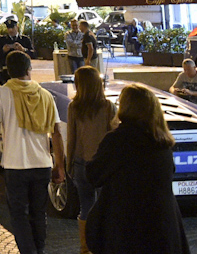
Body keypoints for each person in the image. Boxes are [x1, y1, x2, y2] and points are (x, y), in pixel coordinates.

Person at [86, 85, 191, 254]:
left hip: (129, 224)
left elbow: (93, 175)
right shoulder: (162, 141)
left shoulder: (118, 140)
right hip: (163, 222)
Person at [0, 51, 66, 254]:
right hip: (42, 164)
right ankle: (39, 250)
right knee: (39, 213)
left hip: (15, 165)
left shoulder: (2, 93)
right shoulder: (45, 96)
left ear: (8, 71)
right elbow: (56, 133)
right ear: (29, 69)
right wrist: (60, 165)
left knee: (19, 215)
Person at [67, 66, 116, 254]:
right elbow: (114, 138)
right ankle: (104, 246)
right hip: (104, 165)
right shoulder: (108, 107)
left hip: (81, 163)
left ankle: (85, 248)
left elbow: (71, 138)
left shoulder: (74, 106)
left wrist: (68, 164)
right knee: (106, 208)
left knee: (86, 207)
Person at [0, 18, 34, 85]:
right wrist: (3, 50)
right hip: (6, 71)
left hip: (22, 72)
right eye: (8, 28)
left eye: (12, 27)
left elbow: (33, 54)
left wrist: (23, 50)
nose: (10, 30)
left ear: (17, 27)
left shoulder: (25, 39)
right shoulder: (1, 40)